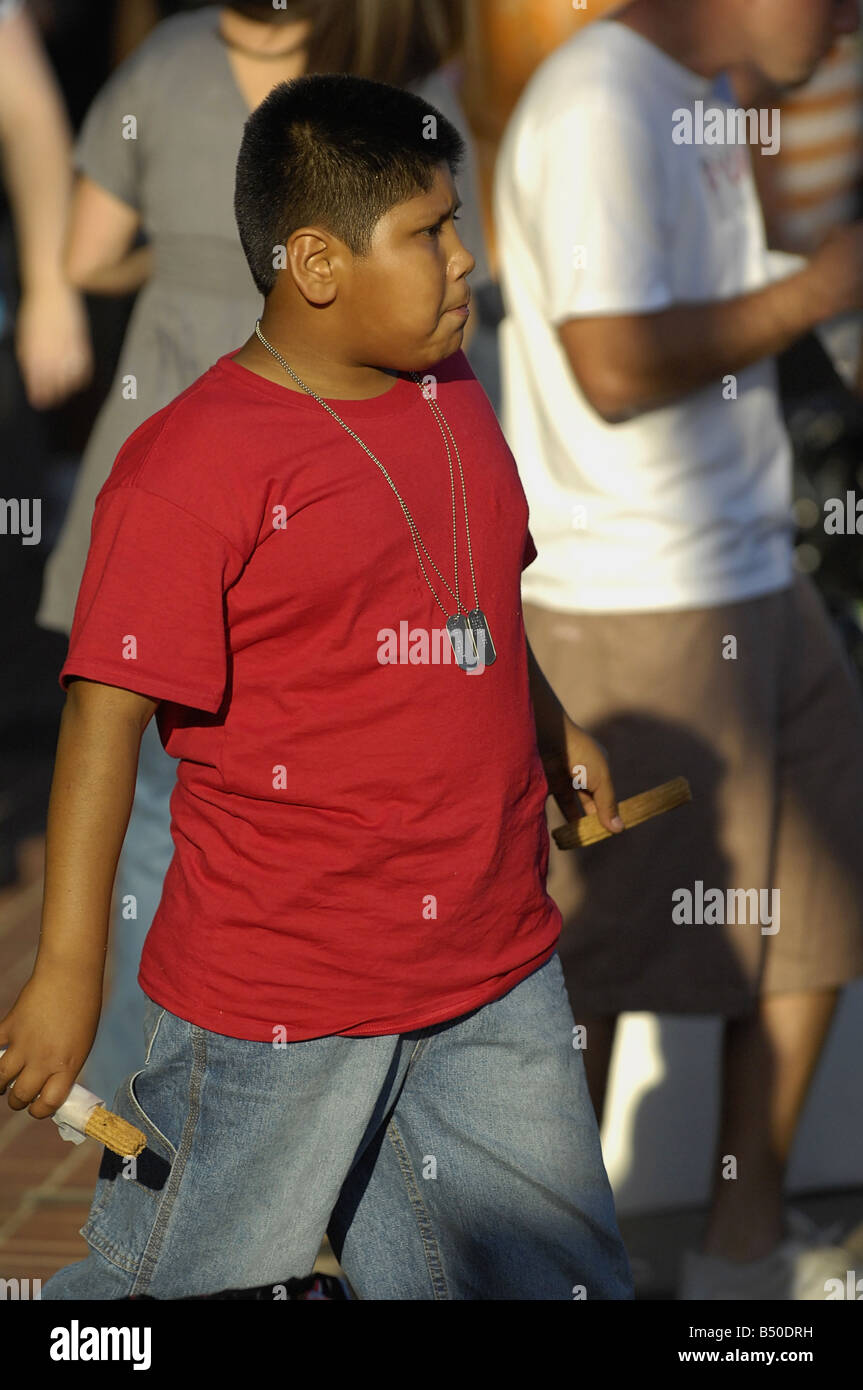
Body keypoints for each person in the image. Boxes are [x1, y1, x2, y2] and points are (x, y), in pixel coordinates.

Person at [0, 72, 634, 1302]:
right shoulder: (190, 465)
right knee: (173, 1291)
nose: (465, 262)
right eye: (428, 232)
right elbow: (103, 714)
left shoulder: (450, 390)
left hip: (495, 968)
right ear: (315, 264)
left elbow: (473, 600)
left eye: (456, 222)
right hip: (278, 1005)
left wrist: (553, 730)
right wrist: (70, 965)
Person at [35, 0, 493, 1103]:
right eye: (435, 235)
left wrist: (197, 258)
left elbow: (89, 255)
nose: (459, 258)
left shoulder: (164, 63)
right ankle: (183, 1117)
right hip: (293, 986)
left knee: (158, 811)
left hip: (193, 386)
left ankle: (138, 1101)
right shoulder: (396, 90)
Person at [494, 0, 863, 1299]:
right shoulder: (601, 102)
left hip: (749, 568)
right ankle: (552, 1268)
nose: (844, 29)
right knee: (598, 961)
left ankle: (737, 1251)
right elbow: (605, 362)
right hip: (631, 592)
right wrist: (815, 289)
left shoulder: (689, 89)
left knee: (814, 918)